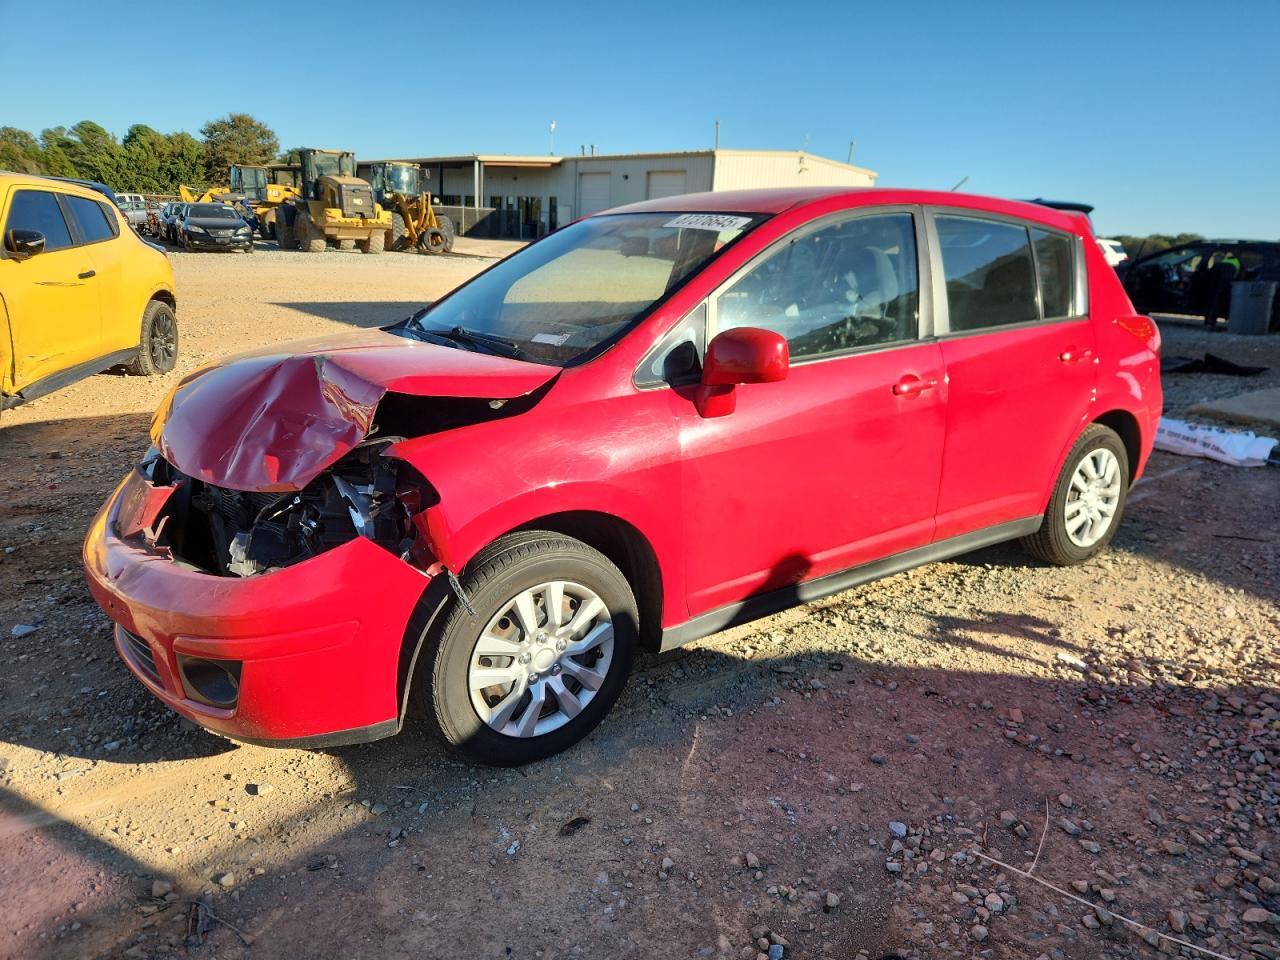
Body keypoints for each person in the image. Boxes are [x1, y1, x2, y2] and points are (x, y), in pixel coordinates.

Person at [1204, 250, 1241, 329]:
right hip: (1229, 286)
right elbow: (1240, 277)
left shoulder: (1219, 264)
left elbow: (1209, 275)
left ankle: (1209, 322)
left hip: (1217, 286)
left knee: (1213, 302)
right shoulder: (1237, 262)